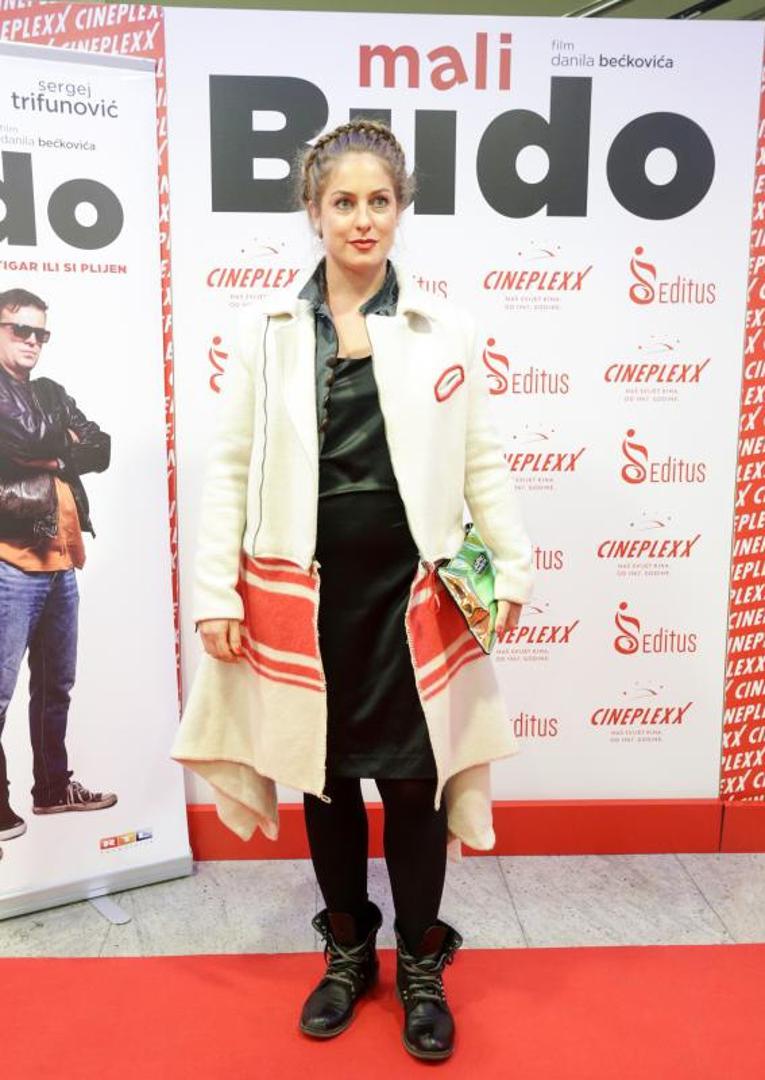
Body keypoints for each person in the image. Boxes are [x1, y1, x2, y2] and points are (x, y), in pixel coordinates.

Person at [177, 118, 534, 1062]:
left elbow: (480, 459)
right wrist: (215, 594)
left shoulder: (445, 328)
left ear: (401, 208)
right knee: (326, 782)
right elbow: (230, 468)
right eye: (344, 201)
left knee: (415, 784)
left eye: (379, 200)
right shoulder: (266, 331)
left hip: (412, 598)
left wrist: (511, 567)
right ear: (314, 210)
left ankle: (419, 963)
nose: (362, 218)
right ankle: (346, 954)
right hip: (304, 599)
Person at [0, 288, 115, 845]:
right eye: (19, 329)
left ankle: (52, 788)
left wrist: (51, 450)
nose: (31, 340)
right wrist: (58, 443)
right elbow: (21, 436)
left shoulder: (50, 391)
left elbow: (101, 447)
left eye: (40, 332)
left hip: (62, 560)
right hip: (9, 561)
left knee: (55, 686)